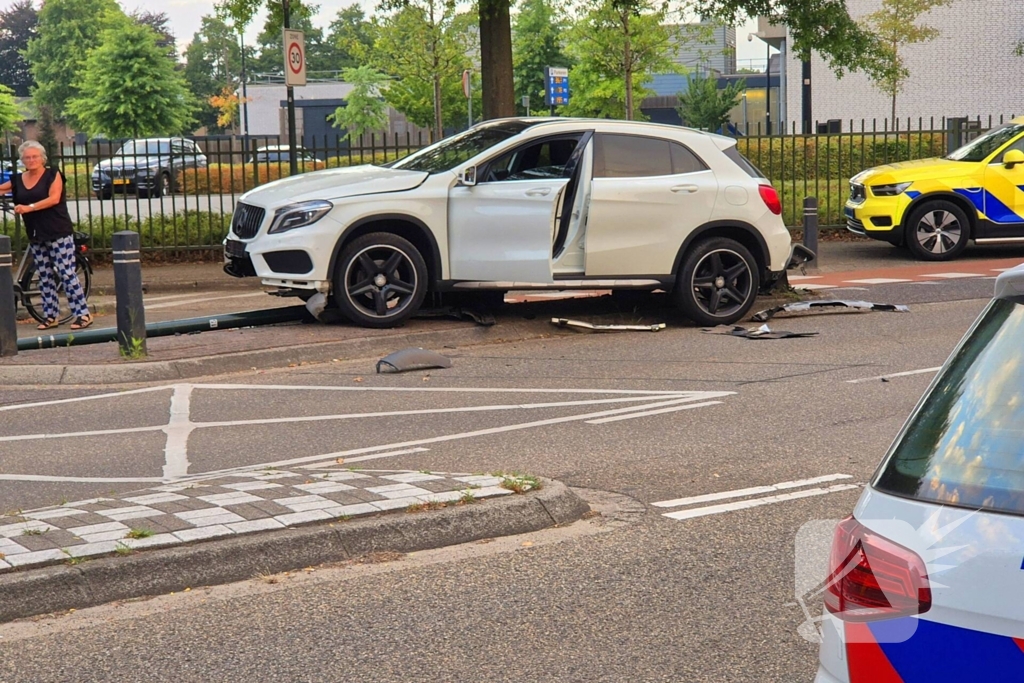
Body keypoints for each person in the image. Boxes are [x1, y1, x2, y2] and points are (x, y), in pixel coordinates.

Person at [0, 141, 91, 330]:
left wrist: (29, 207)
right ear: (22, 160)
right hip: (36, 232)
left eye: (34, 156)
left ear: (42, 158)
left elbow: (54, 198)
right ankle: (50, 316)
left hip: (58, 230)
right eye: (27, 157)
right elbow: (2, 189)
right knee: (44, 275)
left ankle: (83, 314)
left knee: (65, 273)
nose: (31, 160)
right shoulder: (18, 179)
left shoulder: (52, 174)